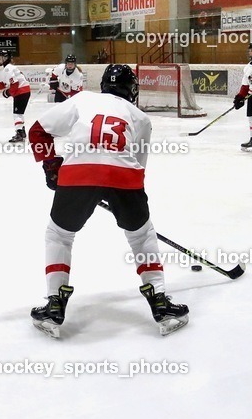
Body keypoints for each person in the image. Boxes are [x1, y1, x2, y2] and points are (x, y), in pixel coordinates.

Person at [26, 64, 189, 339]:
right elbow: (139, 167)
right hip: (124, 176)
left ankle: (55, 303)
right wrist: (123, 201)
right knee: (141, 236)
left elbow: (38, 130)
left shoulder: (82, 99)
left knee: (60, 236)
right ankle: (160, 301)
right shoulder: (140, 117)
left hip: (78, 173)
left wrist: (51, 165)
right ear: (131, 89)